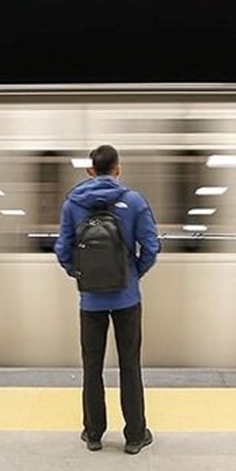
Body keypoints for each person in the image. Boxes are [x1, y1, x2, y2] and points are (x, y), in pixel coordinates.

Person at [54, 144, 160, 454]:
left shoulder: (72, 205)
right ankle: (135, 436)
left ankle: (94, 433)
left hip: (90, 301)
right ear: (118, 169)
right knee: (130, 365)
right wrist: (132, 275)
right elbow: (151, 248)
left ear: (90, 171)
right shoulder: (134, 201)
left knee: (92, 366)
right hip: (127, 299)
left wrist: (81, 275)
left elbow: (62, 250)